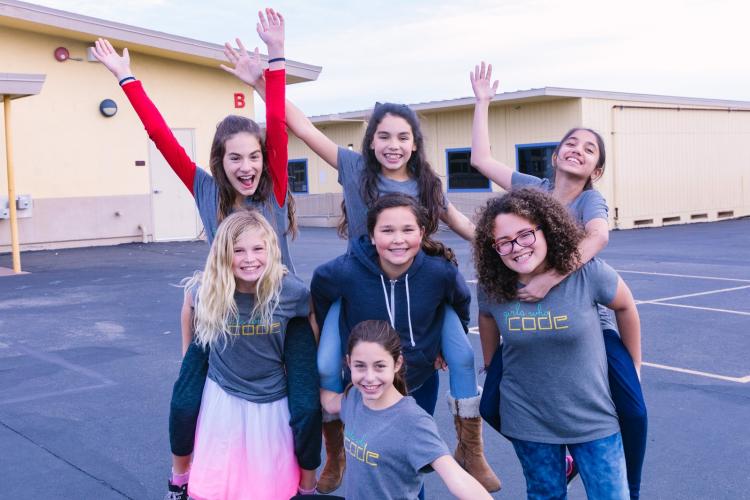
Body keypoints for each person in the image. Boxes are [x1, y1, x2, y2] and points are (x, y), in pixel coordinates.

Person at [220, 44, 497, 493]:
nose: (393, 145)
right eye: (384, 136)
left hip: (419, 287)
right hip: (360, 285)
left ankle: (470, 449)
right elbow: (303, 126)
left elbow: (459, 222)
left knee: (460, 356)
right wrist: (261, 77)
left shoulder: (427, 182)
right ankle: (337, 455)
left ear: (415, 143)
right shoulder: (354, 169)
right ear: (371, 140)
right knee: (328, 362)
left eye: (403, 137)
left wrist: (499, 246)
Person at [91, 10, 321, 498]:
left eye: (254, 156)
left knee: (306, 405)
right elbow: (161, 138)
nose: (247, 165)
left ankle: (305, 483)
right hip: (219, 309)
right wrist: (125, 77)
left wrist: (276, 56)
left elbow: (276, 122)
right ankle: (181, 479)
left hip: (283, 309)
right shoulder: (204, 189)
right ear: (221, 161)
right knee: (185, 399)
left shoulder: (273, 190)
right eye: (235, 157)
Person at [470, 61, 647, 498]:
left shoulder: (591, 200)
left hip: (585, 317)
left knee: (634, 412)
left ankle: (631, 486)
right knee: (492, 404)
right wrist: (482, 102)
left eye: (589, 149)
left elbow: (599, 237)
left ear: (596, 169)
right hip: (526, 317)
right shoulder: (533, 189)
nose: (578, 150)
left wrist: (553, 276)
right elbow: (479, 160)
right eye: (571, 143)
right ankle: (555, 452)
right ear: (555, 154)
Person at [311, 193, 499, 495]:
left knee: (413, 457)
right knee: (369, 452)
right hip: (365, 382)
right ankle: (337, 453)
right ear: (371, 235)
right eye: (387, 231)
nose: (398, 239)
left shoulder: (439, 273)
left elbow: (460, 302)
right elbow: (320, 289)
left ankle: (470, 449)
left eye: (408, 230)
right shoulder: (345, 272)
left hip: (416, 377)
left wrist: (441, 342)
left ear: (422, 233)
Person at [473, 188, 640, 499]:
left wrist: (634, 367)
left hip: (594, 418)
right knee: (545, 494)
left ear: (546, 229)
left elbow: (626, 306)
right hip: (529, 419)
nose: (516, 247)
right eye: (504, 242)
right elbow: (486, 316)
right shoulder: (493, 286)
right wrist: (491, 363)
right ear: (493, 247)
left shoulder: (587, 274)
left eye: (525, 234)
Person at [182, 208, 310, 500]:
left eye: (257, 249)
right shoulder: (210, 291)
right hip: (223, 396)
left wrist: (311, 364)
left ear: (271, 249)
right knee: (221, 478)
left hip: (270, 399)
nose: (249, 258)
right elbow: (189, 305)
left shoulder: (290, 292)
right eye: (238, 250)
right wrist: (186, 355)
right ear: (224, 254)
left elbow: (311, 318)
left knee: (265, 481)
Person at [320, 320, 492, 500]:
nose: (369, 377)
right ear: (348, 363)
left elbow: (456, 477)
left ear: (396, 363)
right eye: (360, 366)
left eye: (379, 366)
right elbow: (330, 402)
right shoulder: (354, 397)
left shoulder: (413, 422)